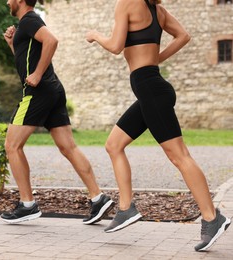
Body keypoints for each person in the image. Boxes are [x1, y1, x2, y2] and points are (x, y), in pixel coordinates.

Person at [85, 0, 230, 252]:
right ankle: (126, 208)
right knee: (114, 145)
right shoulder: (158, 11)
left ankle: (212, 217)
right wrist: (155, 59)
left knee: (180, 156)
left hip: (151, 90)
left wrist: (96, 35)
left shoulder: (126, 3)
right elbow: (183, 36)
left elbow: (116, 46)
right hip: (151, 88)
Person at [1, 0, 114, 224]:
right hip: (53, 90)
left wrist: (37, 74)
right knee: (68, 146)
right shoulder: (25, 26)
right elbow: (26, 59)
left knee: (12, 146)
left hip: (38, 92)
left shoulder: (30, 20)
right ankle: (98, 198)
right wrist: (13, 44)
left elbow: (52, 40)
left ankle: (27, 204)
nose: (7, 2)